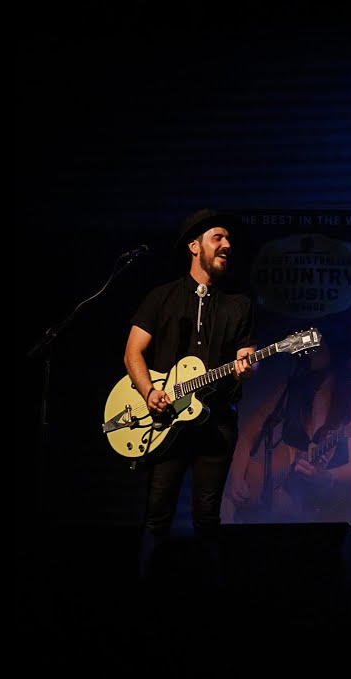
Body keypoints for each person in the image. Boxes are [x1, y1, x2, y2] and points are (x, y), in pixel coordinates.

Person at [124, 208, 256, 578]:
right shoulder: (162, 297)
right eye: (218, 238)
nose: (227, 245)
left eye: (229, 240)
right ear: (194, 246)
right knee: (157, 515)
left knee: (207, 517)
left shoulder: (238, 305)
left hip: (216, 423)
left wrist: (249, 364)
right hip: (166, 420)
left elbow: (247, 357)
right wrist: (149, 392)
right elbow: (133, 351)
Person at [226, 336, 351, 567]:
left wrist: (328, 477)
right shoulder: (293, 389)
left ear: (335, 349)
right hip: (288, 518)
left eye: (316, 345)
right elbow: (247, 435)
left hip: (336, 518)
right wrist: (236, 478)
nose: (308, 351)